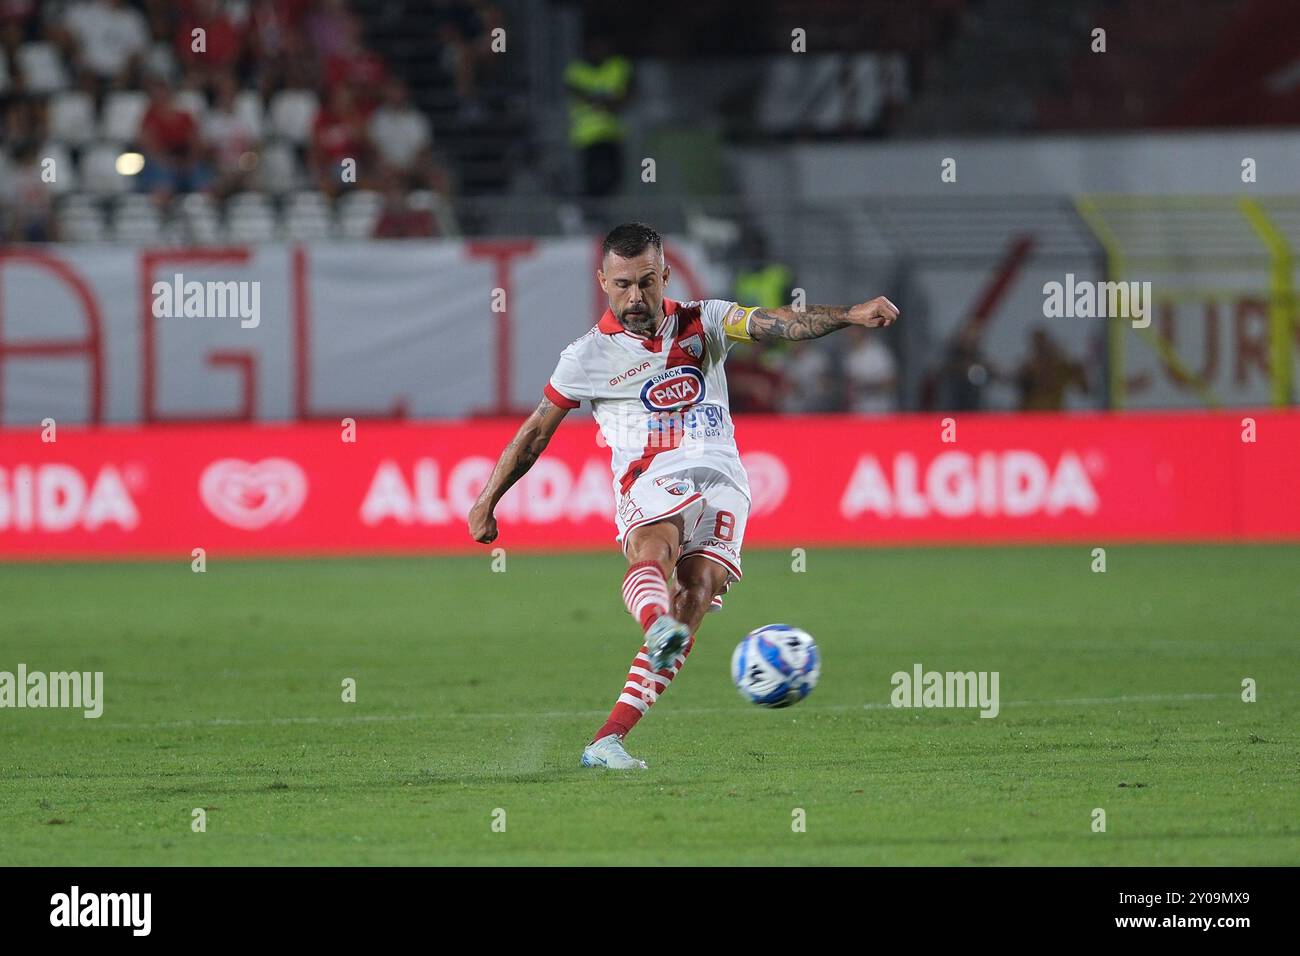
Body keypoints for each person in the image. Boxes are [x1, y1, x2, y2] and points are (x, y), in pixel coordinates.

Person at [467, 222, 899, 770]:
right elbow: (535, 433)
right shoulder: (586, 357)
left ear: (665, 274)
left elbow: (780, 323)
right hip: (652, 476)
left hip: (723, 481)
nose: (635, 296)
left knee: (696, 593)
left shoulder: (706, 321)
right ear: (602, 280)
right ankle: (656, 627)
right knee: (655, 549)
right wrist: (488, 500)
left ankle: (608, 740)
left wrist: (848, 315)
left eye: (646, 282)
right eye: (622, 284)